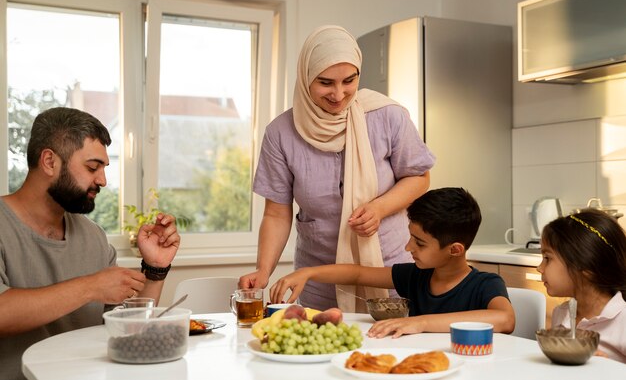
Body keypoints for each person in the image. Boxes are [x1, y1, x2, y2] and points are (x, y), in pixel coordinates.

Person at [239, 25, 435, 312]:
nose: (339, 94)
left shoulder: (387, 115)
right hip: (319, 277)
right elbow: (276, 212)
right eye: (326, 82)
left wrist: (379, 208)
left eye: (349, 80)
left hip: (390, 269)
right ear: (306, 78)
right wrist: (263, 271)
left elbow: (419, 177)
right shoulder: (281, 133)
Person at [0, 107, 181, 380]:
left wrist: (154, 269)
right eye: (92, 167)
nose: (103, 180)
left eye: (104, 169)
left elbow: (127, 330)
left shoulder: (93, 236)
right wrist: (91, 287)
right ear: (49, 161)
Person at [269, 187, 515, 338]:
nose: (408, 247)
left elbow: (505, 319)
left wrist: (420, 323)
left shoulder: (486, 284)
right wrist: (308, 273)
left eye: (419, 243)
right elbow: (357, 274)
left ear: (455, 250)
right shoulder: (417, 276)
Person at [538, 209, 626, 363]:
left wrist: (610, 368)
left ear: (587, 268)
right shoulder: (561, 314)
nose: (539, 268)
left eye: (547, 258)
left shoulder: (622, 321)